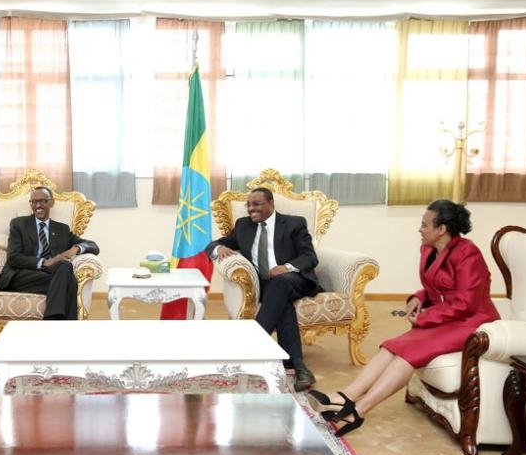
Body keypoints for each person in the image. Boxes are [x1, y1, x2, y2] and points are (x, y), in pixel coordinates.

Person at [307, 199, 500, 437]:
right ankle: (345, 396)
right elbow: (435, 287)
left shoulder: (468, 253)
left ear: (442, 229)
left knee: (407, 356)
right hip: (447, 318)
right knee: (390, 347)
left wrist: (426, 318)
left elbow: (466, 302)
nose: (420, 229)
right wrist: (418, 298)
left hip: (472, 321)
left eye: (425, 225)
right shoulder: (428, 249)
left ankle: (359, 410)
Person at [206, 187, 321, 392]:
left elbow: (309, 257)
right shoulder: (243, 225)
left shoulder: (294, 223)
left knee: (281, 283)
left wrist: (286, 267)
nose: (251, 209)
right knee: (283, 305)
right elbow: (216, 243)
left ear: (271, 204)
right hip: (267, 285)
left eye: (257, 204)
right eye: (248, 205)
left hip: (294, 279)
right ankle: (299, 366)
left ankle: (252, 347)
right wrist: (219, 248)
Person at [0, 186, 100, 320]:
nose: (38, 205)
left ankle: (51, 321)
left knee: (64, 267)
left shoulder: (62, 229)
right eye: (34, 202)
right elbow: (13, 257)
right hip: (22, 276)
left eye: (42, 201)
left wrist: (75, 249)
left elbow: (93, 246)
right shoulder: (19, 224)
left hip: (50, 276)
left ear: (51, 202)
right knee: (69, 281)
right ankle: (65, 326)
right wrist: (44, 262)